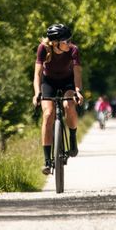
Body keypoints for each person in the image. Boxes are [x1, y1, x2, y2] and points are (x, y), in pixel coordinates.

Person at [33, 23, 84, 175]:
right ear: (55, 43)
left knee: (69, 105)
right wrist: (37, 93)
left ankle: (73, 138)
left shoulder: (73, 50)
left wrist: (78, 91)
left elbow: (77, 73)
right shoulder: (43, 49)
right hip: (49, 83)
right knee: (48, 114)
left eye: (70, 40)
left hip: (68, 81)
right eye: (66, 41)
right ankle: (47, 161)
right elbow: (37, 74)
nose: (69, 43)